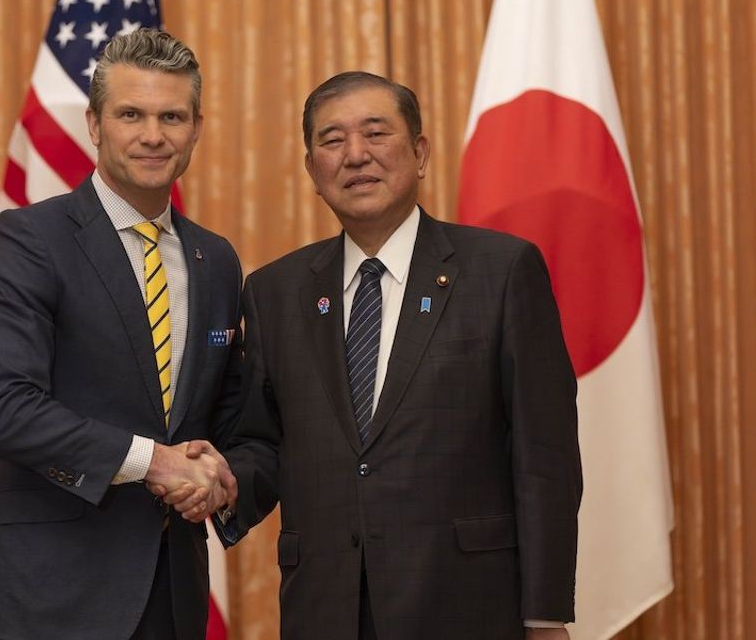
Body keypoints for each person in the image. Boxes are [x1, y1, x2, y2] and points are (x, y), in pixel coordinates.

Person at [173, 71, 583, 639]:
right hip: (326, 609)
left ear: (420, 153)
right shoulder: (274, 292)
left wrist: (544, 614)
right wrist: (225, 481)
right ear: (312, 170)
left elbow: (544, 457)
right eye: (332, 140)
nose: (355, 155)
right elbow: (263, 441)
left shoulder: (502, 271)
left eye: (375, 133)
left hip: (467, 604)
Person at [0, 29, 241, 640]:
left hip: (171, 594)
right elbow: (1, 409)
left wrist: (218, 473)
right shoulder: (28, 240)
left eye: (172, 117)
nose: (152, 135)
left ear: (196, 129)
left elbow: (226, 416)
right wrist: (154, 462)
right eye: (130, 114)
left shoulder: (216, 260)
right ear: (94, 124)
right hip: (47, 595)